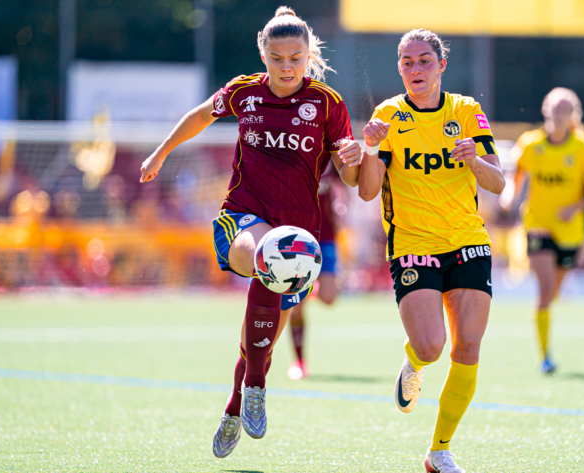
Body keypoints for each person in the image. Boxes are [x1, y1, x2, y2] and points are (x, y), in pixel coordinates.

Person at [139, 7, 361, 459]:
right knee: (266, 257)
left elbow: (348, 175)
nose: (286, 67)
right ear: (263, 55)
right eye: (276, 58)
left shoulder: (328, 104)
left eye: (295, 58)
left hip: (303, 235)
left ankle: (237, 402)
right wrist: (161, 152)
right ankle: (258, 385)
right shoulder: (245, 93)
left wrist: (354, 158)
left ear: (309, 55)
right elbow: (202, 115)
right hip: (243, 216)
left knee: (258, 337)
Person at [357, 29, 505, 473]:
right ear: (399, 68)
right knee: (431, 345)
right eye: (407, 62)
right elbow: (367, 193)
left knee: (469, 349)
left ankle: (439, 451)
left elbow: (498, 182)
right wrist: (369, 147)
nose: (415, 69)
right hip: (413, 243)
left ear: (442, 65)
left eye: (424, 61)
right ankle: (414, 360)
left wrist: (473, 161)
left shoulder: (466, 110)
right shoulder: (387, 115)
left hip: (467, 240)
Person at [506, 88, 584, 374]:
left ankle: (545, 331)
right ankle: (545, 356)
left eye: (565, 110)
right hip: (538, 223)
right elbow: (518, 175)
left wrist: (575, 208)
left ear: (573, 114)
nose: (559, 115)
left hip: (571, 231)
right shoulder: (530, 143)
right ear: (546, 110)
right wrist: (510, 196)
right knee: (545, 290)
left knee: (553, 293)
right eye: (554, 109)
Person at [287, 162, 344, 380]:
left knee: (329, 298)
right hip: (296, 236)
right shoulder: (295, 149)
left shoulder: (331, 154)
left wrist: (341, 206)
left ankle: (311, 287)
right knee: (296, 306)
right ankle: (299, 361)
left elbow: (344, 184)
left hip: (326, 233)